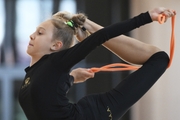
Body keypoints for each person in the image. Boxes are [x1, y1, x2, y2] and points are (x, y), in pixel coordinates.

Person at [18, 7, 175, 120]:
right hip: (87, 110)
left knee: (159, 58)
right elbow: (48, 95)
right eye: (35, 32)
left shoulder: (55, 62)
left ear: (56, 45)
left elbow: (103, 35)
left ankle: (89, 25)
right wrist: (72, 77)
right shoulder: (33, 73)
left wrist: (147, 16)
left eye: (40, 33)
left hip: (98, 113)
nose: (32, 36)